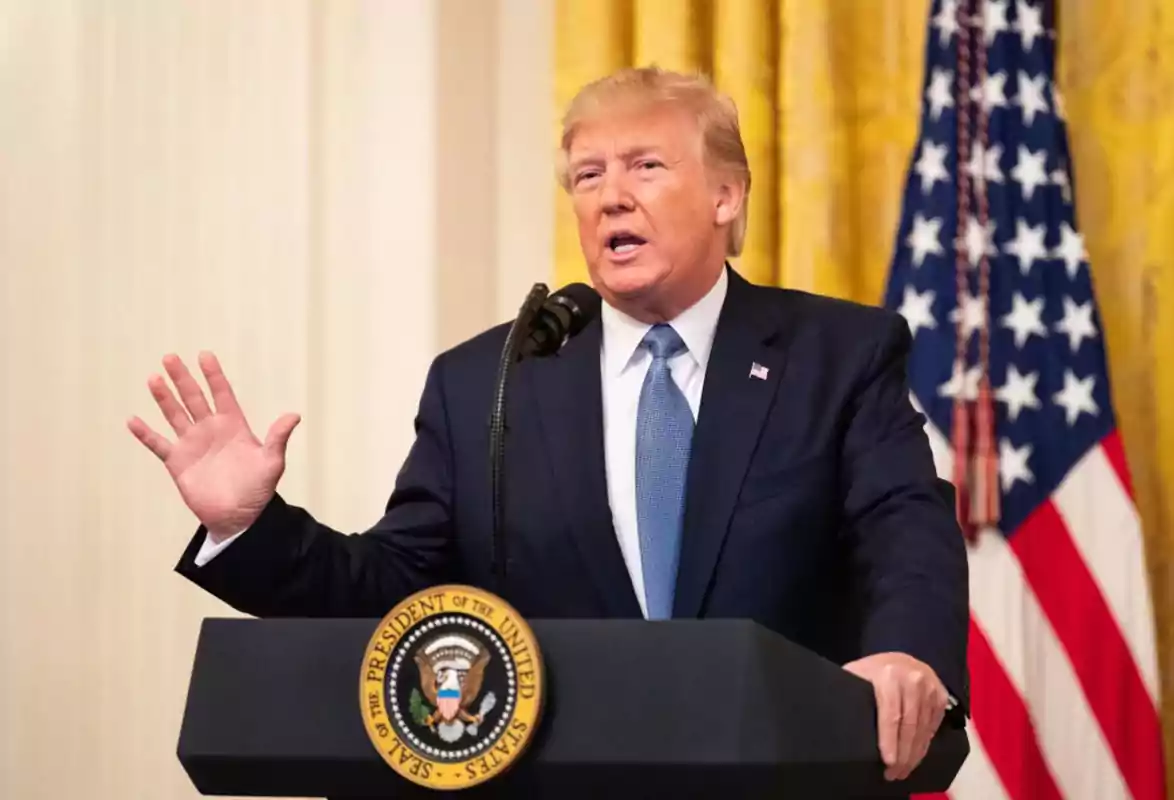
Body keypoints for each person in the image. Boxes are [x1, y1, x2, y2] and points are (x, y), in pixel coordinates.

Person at [129, 66, 967, 783]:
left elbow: (903, 525)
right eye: (588, 175)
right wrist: (249, 527)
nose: (611, 198)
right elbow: (400, 591)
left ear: (726, 194)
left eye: (644, 165)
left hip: (780, 777)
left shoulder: (837, 353)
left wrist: (908, 654)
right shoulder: (490, 380)